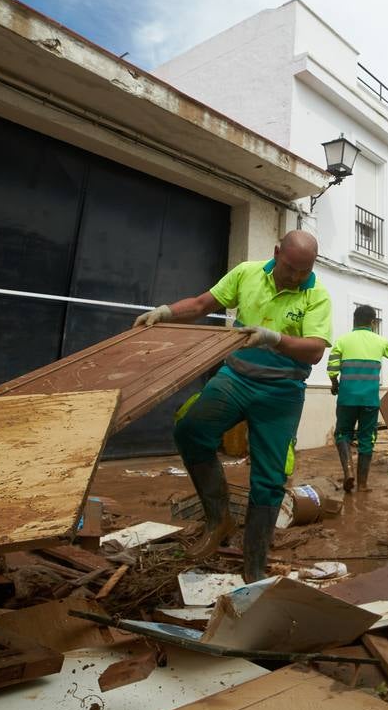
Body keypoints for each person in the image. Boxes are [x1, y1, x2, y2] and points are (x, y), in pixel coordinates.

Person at [133, 230, 331, 583]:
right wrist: (163, 313)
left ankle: (254, 561)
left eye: (305, 270)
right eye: (291, 268)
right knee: (191, 431)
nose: (297, 277)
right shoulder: (247, 273)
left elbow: (315, 349)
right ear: (276, 253)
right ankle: (218, 519)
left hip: (282, 391)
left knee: (269, 478)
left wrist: (275, 338)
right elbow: (200, 305)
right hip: (235, 377)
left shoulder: (317, 295)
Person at [327, 305, 388, 492]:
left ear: (354, 320)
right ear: (373, 322)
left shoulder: (342, 341)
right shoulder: (379, 341)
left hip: (346, 399)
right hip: (370, 401)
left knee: (342, 434)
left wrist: (335, 384)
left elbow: (332, 368)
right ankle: (363, 484)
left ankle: (348, 472)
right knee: (367, 438)